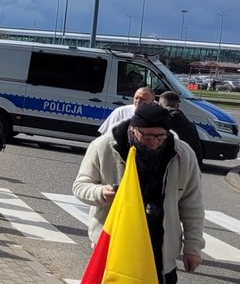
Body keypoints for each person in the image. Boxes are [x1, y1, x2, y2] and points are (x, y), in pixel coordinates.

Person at [73, 103, 204, 284]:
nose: (154, 142)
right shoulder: (104, 147)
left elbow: (193, 205)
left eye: (160, 136)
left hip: (160, 249)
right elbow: (80, 186)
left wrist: (193, 248)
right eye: (148, 136)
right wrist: (102, 192)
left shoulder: (182, 154)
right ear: (133, 129)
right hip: (115, 245)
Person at [159, 91, 205, 168]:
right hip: (183, 171)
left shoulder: (156, 125)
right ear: (178, 106)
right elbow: (197, 156)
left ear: (160, 105)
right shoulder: (191, 127)